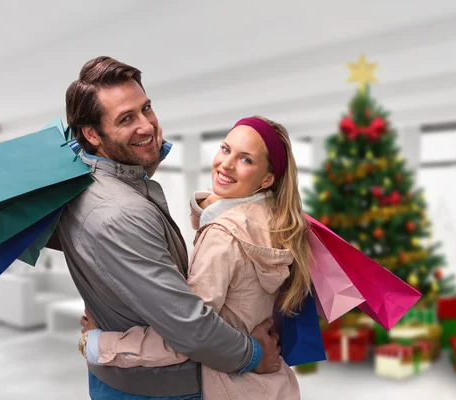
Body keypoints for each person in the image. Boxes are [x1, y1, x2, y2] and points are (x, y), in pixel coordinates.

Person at [55, 57, 282, 400]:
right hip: (158, 387)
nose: (147, 125)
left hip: (120, 377)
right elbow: (191, 329)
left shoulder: (76, 179)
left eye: (146, 108)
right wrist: (253, 355)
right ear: (91, 134)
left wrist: (146, 155)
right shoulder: (121, 214)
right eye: (126, 119)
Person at [81, 115, 312, 399]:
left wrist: (100, 345)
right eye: (226, 149)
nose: (226, 164)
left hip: (231, 388)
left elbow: (189, 334)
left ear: (267, 179)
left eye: (246, 160)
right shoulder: (276, 221)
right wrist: (206, 204)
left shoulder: (223, 236)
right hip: (271, 387)